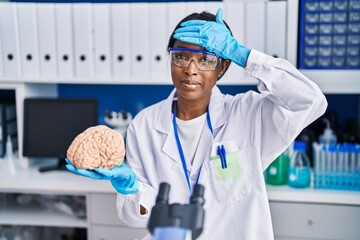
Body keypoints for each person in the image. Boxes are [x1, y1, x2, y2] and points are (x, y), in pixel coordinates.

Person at [65, 8, 327, 239]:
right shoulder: (144, 125)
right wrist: (131, 188)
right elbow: (134, 218)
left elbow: (311, 100)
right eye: (181, 56)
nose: (191, 69)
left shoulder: (249, 114)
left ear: (223, 67)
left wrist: (245, 55)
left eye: (206, 60)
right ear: (170, 59)